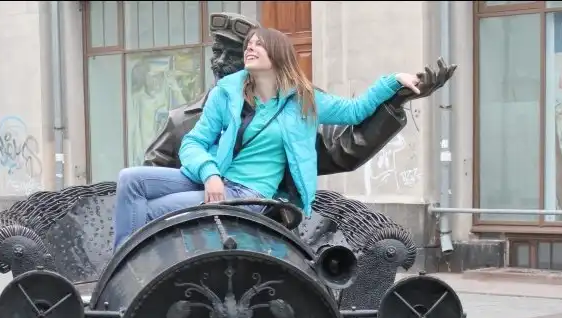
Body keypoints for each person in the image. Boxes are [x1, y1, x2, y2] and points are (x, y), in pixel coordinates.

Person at [112, 27, 422, 251]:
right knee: (130, 180)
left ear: (277, 54)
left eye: (258, 45)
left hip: (248, 194)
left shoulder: (303, 99)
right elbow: (193, 143)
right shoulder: (226, 94)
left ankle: (128, 273)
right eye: (249, 44)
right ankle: (121, 269)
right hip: (216, 180)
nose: (250, 48)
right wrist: (210, 173)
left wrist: (394, 82)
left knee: (151, 211)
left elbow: (355, 111)